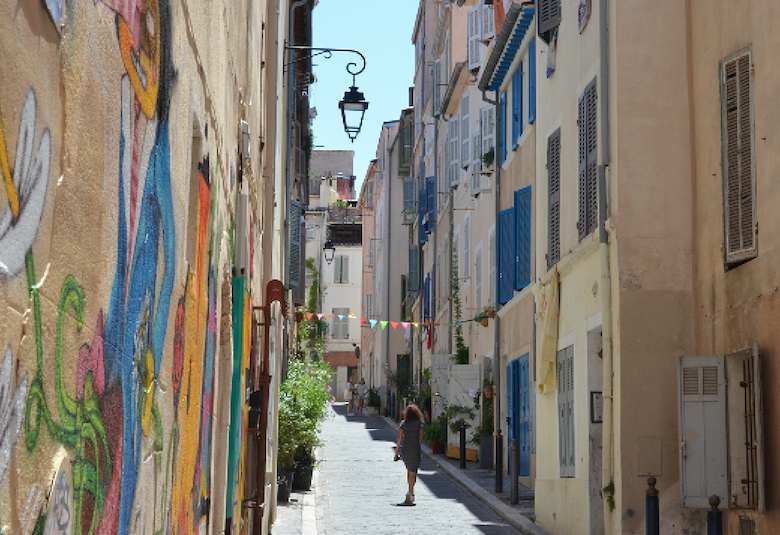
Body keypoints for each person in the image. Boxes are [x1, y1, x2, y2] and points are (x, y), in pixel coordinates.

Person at [394, 404, 424, 504]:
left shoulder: (404, 423)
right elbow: (420, 438)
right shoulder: (419, 424)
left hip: (405, 449)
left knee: (409, 470)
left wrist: (396, 451)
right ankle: (411, 491)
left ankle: (411, 492)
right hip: (415, 449)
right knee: (413, 471)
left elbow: (399, 438)